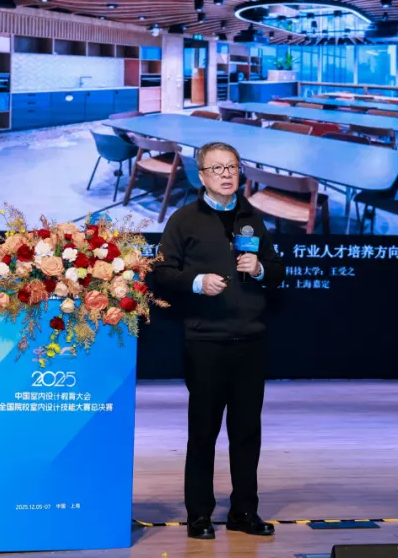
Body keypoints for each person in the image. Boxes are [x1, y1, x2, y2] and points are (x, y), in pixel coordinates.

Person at [150, 141, 283, 540]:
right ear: (202, 176)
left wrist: (260, 269)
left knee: (247, 432)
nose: (226, 174)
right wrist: (197, 282)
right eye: (217, 168)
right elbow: (161, 272)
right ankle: (199, 515)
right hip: (206, 340)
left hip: (251, 340)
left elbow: (277, 270)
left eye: (233, 167)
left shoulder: (252, 218)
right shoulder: (184, 220)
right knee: (204, 432)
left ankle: (244, 511)